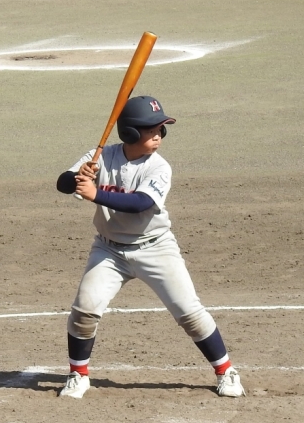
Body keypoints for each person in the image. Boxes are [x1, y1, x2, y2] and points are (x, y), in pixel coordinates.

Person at [55, 96, 245, 399]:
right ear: (129, 132)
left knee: (189, 313)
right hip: (109, 250)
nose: (158, 135)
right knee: (84, 310)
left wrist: (95, 194)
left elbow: (140, 203)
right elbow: (63, 183)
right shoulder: (101, 155)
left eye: (160, 129)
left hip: (155, 248)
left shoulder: (159, 167)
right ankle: (78, 374)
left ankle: (226, 371)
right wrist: (79, 176)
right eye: (150, 130)